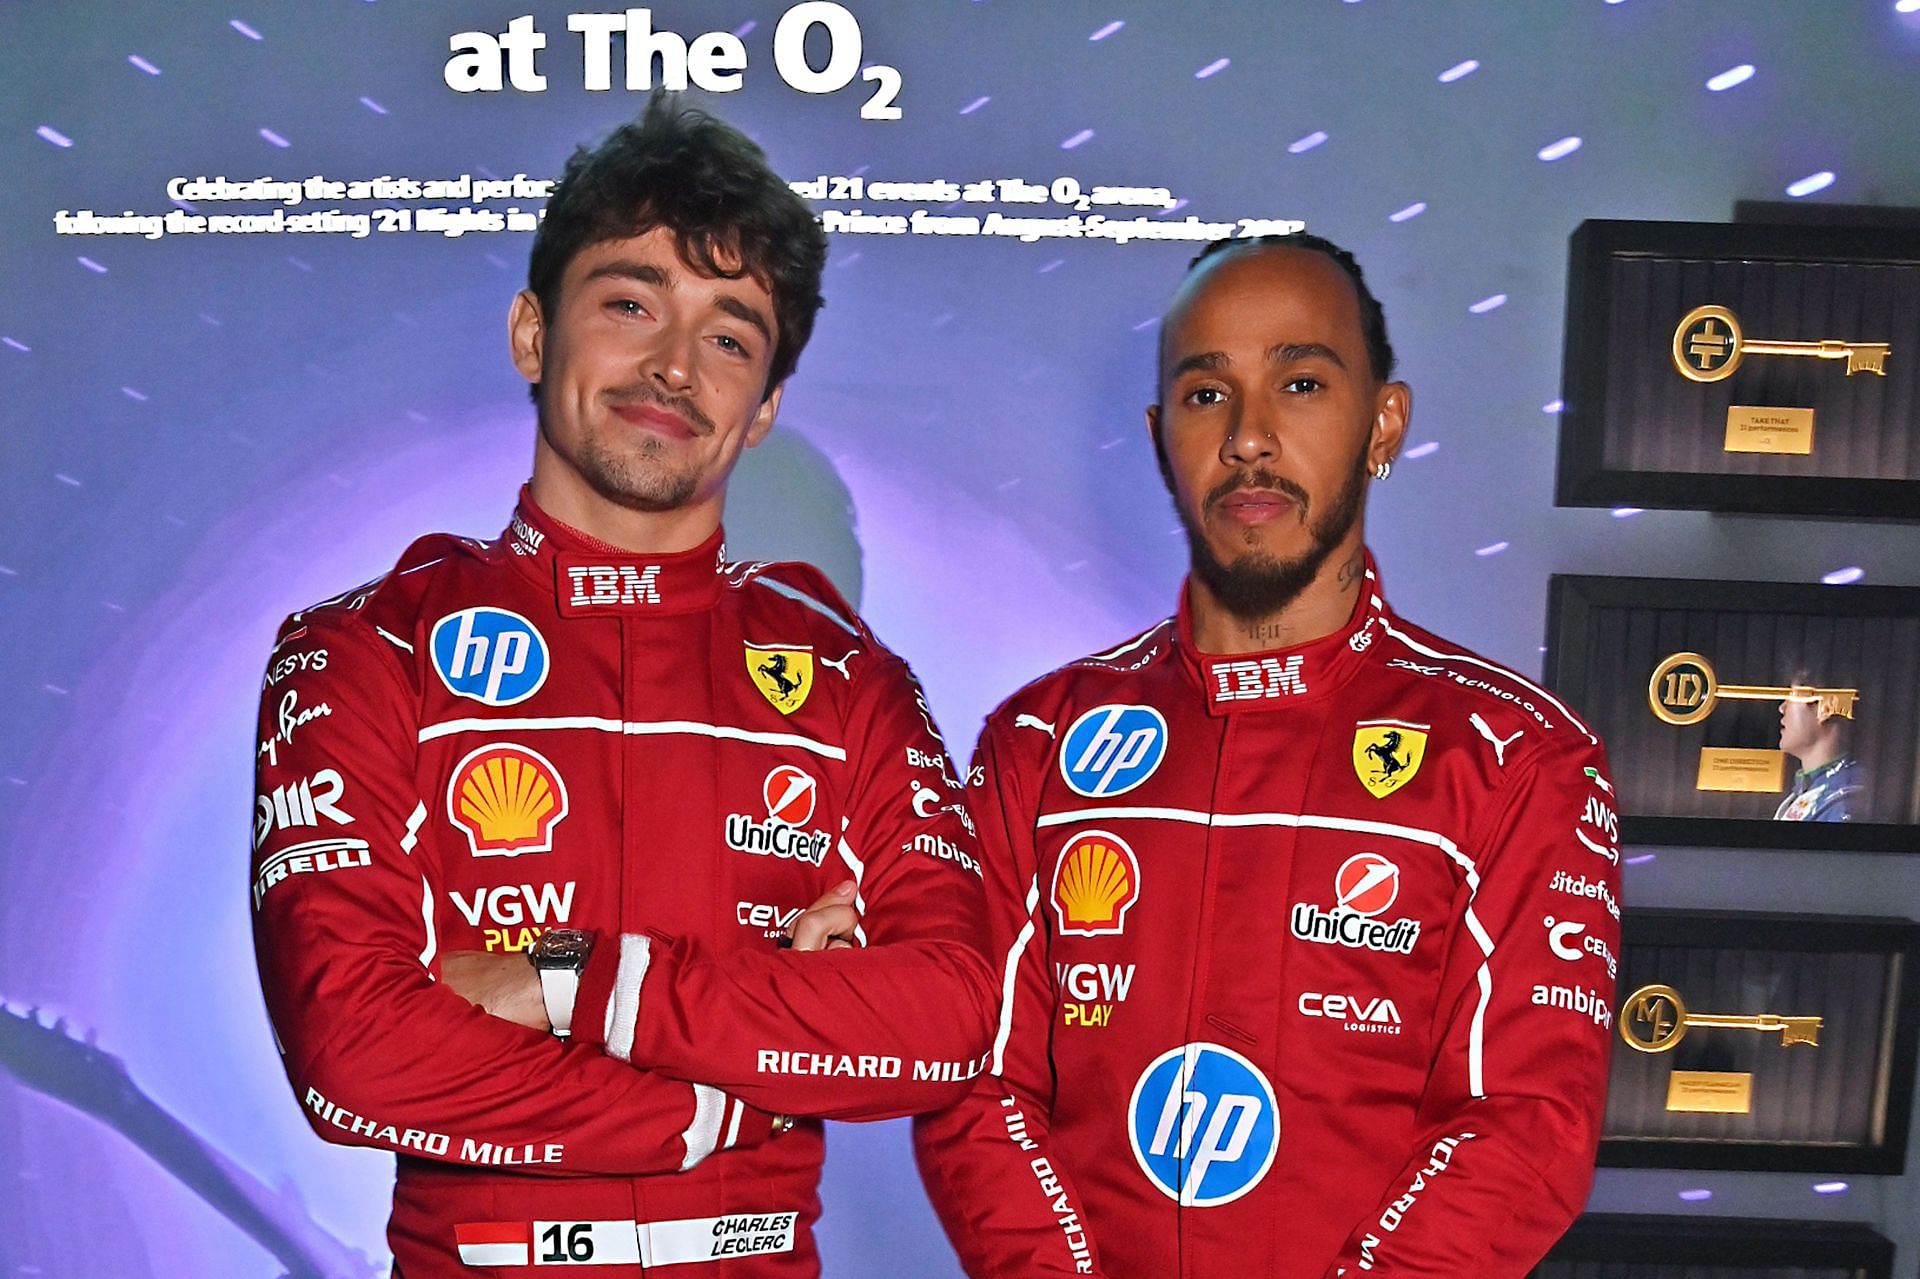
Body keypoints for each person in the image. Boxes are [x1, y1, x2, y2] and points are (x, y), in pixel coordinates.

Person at [249, 95, 997, 1277]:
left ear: (765, 411)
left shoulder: (850, 678)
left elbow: (953, 1019)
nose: (673, 367)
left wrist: (572, 980)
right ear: (533, 334)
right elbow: (351, 1051)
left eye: (731, 336)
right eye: (632, 303)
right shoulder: (362, 650)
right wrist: (714, 1095)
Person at [912, 235, 1620, 1277]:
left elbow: (1523, 1126)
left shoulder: (1520, 756)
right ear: (1160, 439)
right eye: (1207, 396)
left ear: (1384, 422)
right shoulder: (1039, 740)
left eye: (1300, 383)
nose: (1249, 437)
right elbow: (973, 1083)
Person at [1775, 672, 1864, 821]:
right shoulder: (1817, 792)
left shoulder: (1844, 801)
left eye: (1793, 695)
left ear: (1827, 707)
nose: (1782, 708)